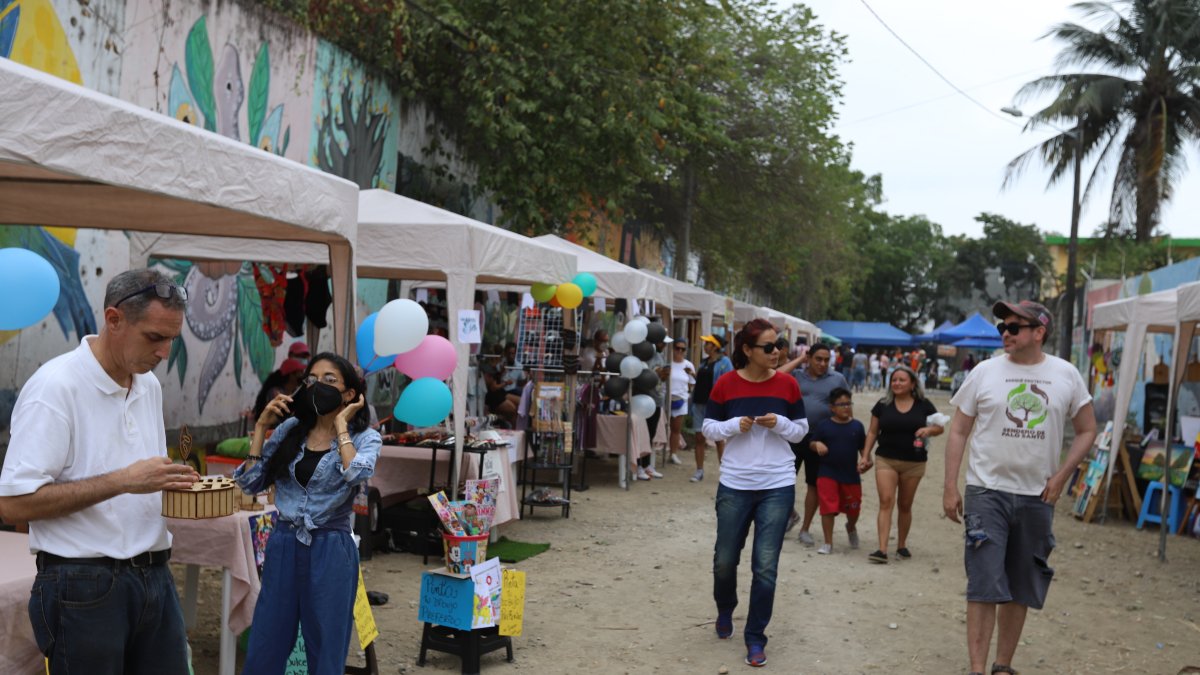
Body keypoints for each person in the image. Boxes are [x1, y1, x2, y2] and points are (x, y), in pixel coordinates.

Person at [0, 269, 198, 674]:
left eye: (172, 340)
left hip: (154, 575)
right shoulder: (55, 388)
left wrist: (177, 487)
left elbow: (144, 480)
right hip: (81, 584)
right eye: (155, 337)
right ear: (114, 319)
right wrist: (123, 481)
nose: (164, 353)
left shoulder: (147, 384)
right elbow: (13, 505)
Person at [942, 300, 1095, 675]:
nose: (1006, 333)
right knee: (983, 582)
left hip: (1037, 496)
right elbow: (959, 430)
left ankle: (1002, 666)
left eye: (1014, 327)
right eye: (1002, 327)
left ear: (1039, 331)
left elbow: (1088, 429)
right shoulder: (984, 372)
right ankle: (977, 668)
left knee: (1020, 584)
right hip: (986, 491)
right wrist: (950, 485)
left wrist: (1062, 476)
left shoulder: (1066, 374)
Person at [234, 352, 381, 674]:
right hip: (284, 543)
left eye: (330, 380)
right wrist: (261, 427)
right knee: (266, 640)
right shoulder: (291, 429)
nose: (318, 386)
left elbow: (356, 474)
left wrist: (341, 426)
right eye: (312, 380)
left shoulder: (366, 437)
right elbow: (249, 483)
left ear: (350, 394)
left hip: (331, 547)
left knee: (326, 647)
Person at [702, 319, 807, 667]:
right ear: (747, 350)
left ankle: (755, 637)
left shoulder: (789, 385)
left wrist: (780, 424)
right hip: (735, 483)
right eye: (768, 347)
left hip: (778, 483)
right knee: (724, 560)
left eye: (778, 346)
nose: (776, 352)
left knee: (765, 566)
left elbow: (801, 433)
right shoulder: (726, 383)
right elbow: (707, 429)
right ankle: (725, 607)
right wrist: (734, 426)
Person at [862, 364, 942, 564]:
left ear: (913, 383)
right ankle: (882, 549)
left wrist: (928, 431)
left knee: (905, 505)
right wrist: (865, 455)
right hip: (886, 459)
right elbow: (872, 432)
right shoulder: (882, 404)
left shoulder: (924, 405)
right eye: (894, 380)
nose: (897, 383)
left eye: (901, 380)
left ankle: (902, 545)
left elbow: (939, 427)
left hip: (914, 462)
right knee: (886, 501)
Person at [789, 342, 849, 546]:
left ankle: (805, 528)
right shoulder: (796, 375)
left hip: (821, 439)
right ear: (809, 358)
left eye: (826, 360)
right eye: (818, 359)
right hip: (793, 435)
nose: (823, 363)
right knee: (784, 480)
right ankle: (786, 516)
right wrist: (799, 359)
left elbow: (845, 406)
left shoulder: (837, 379)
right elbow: (776, 374)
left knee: (813, 485)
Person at [808, 387, 868, 554]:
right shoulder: (824, 426)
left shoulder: (857, 426)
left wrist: (865, 462)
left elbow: (863, 451)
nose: (845, 407)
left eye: (848, 403)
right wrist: (816, 444)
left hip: (850, 476)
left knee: (854, 509)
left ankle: (851, 526)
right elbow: (812, 443)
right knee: (828, 508)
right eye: (841, 404)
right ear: (832, 408)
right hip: (827, 473)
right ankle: (828, 543)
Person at [692, 333, 734, 482]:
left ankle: (725, 471)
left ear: (715, 346)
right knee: (699, 437)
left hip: (715, 405)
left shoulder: (725, 362)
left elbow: (729, 383)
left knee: (718, 438)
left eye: (708, 343)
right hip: (699, 403)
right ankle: (699, 470)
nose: (705, 345)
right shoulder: (703, 362)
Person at [253, 357, 307, 425]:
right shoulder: (276, 392)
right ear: (291, 375)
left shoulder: (293, 391)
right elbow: (283, 417)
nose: (303, 375)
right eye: (300, 372)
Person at [668, 339, 696, 466]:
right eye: (677, 348)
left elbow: (693, 382)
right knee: (663, 426)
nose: (679, 351)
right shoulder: (668, 363)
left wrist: (687, 392)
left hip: (681, 399)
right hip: (667, 398)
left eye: (682, 349)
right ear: (673, 348)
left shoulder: (688, 365)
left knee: (676, 429)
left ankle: (673, 453)